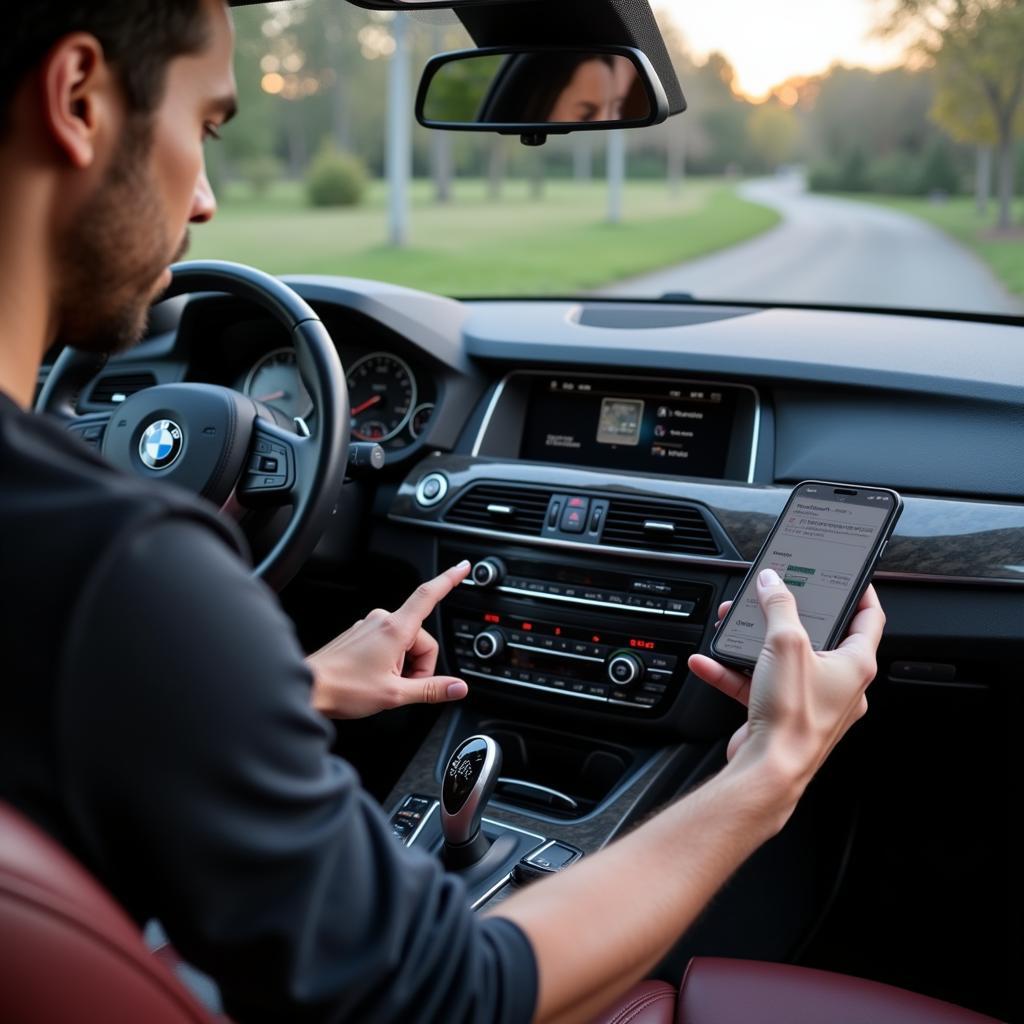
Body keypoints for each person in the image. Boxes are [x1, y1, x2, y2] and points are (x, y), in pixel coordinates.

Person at [0, 2, 886, 1022]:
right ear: (77, 100)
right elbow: (450, 992)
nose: (203, 199)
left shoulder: (90, 590)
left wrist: (274, 688)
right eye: (205, 126)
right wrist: (768, 771)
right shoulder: (126, 573)